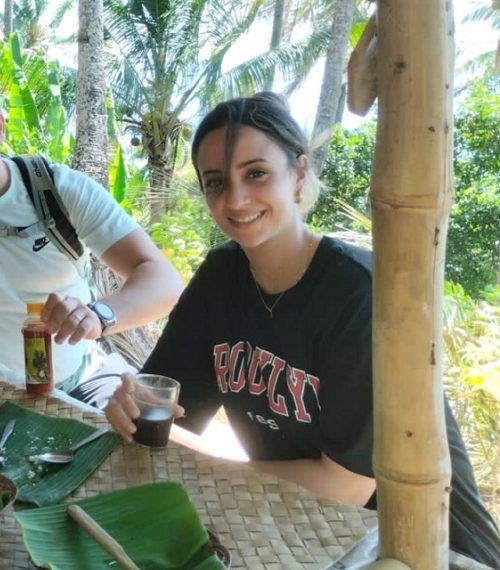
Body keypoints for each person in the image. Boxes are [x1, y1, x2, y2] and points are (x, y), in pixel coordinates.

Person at [104, 92, 500, 567]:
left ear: (297, 173)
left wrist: (222, 475)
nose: (235, 199)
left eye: (256, 173)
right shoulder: (219, 280)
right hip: (302, 528)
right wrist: (129, 407)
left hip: (427, 546)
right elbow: (166, 411)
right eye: (215, 182)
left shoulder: (359, 293)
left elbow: (347, 485)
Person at [0, 68, 183, 408]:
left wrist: (97, 316)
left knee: (139, 425)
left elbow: (164, 282)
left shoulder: (58, 190)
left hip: (82, 383)